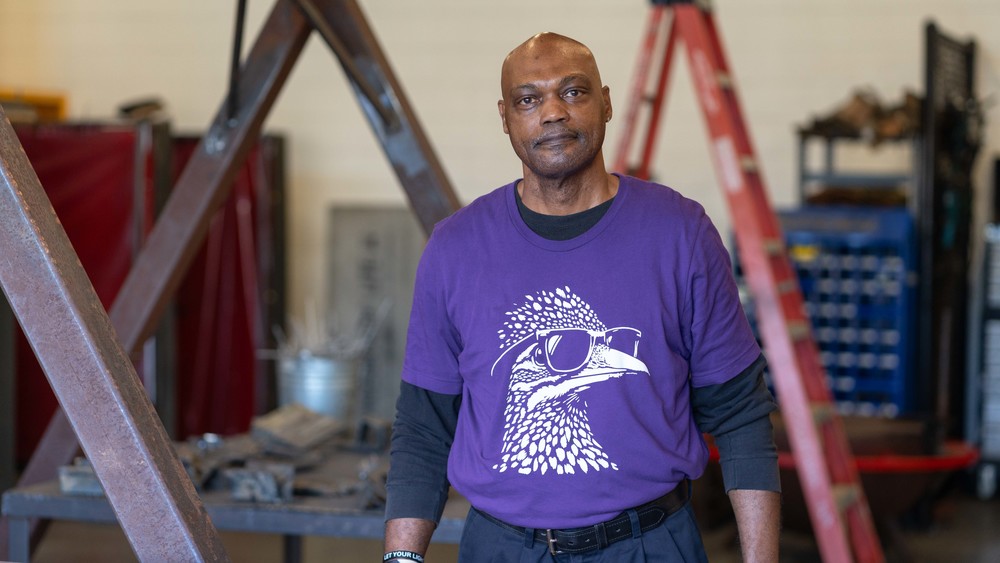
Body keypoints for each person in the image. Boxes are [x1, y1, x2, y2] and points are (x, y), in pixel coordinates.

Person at [383, 32, 780, 562]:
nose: (552, 113)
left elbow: (740, 415)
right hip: (500, 549)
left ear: (607, 102)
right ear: (505, 117)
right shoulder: (455, 248)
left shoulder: (680, 233)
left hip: (650, 545)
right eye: (529, 99)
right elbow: (422, 429)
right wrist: (401, 558)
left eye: (573, 92)